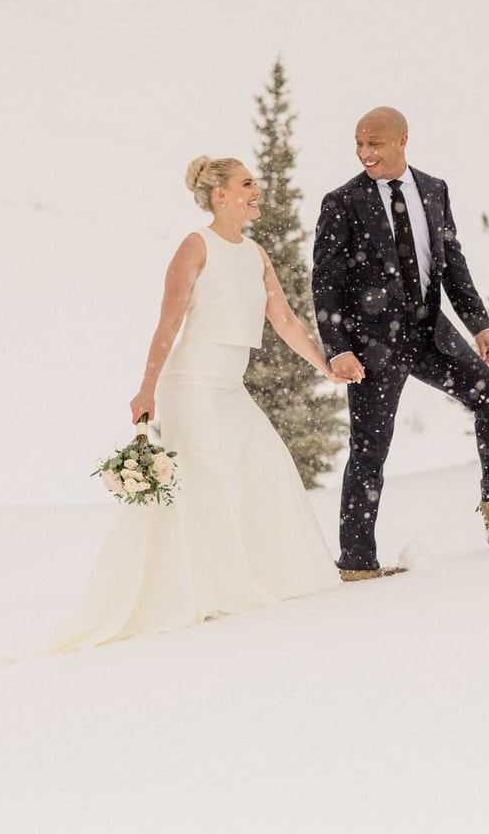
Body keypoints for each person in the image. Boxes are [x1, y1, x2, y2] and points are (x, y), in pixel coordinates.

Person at [53, 156, 342, 650]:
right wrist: (146, 389)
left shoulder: (257, 253)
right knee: (205, 485)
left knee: (267, 465)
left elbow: (286, 321)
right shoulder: (195, 246)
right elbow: (168, 323)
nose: (257, 191)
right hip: (190, 385)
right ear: (219, 195)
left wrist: (325, 365)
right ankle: (203, 589)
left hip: (231, 388)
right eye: (247, 184)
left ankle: (276, 577)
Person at [312, 106, 489, 581]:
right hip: (371, 347)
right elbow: (326, 282)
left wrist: (478, 324)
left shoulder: (433, 189)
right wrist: (338, 347)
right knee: (370, 449)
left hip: (431, 334)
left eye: (375, 143)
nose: (365, 153)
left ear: (403, 141)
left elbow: (452, 263)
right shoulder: (342, 201)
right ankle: (358, 562)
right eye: (360, 144)